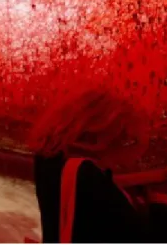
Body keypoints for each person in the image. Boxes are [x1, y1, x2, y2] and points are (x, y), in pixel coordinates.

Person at [29, 87, 155, 242]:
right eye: (124, 137)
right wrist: (162, 203)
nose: (123, 143)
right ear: (104, 132)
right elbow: (138, 236)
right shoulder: (87, 175)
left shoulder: (47, 158)